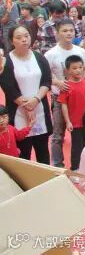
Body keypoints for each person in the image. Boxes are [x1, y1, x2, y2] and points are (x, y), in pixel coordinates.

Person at [0, 25, 52, 164]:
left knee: (43, 152)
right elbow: (8, 88)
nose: (24, 40)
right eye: (19, 37)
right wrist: (27, 106)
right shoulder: (6, 61)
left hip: (39, 110)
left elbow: (47, 81)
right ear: (11, 41)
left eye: (26, 36)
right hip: (19, 112)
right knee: (23, 154)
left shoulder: (39, 57)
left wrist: (36, 99)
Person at [45, 18, 85, 168]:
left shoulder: (80, 51)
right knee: (58, 134)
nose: (68, 33)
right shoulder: (50, 54)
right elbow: (45, 76)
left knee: (84, 134)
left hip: (80, 100)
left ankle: (83, 164)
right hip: (60, 99)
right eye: (64, 31)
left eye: (71, 30)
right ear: (57, 33)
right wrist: (58, 82)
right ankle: (57, 165)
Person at [57, 55, 85, 171]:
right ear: (67, 70)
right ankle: (75, 169)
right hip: (75, 123)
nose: (78, 70)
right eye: (74, 68)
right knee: (77, 148)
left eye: (80, 67)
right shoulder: (66, 86)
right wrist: (68, 121)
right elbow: (63, 104)